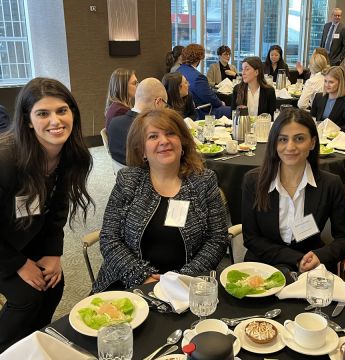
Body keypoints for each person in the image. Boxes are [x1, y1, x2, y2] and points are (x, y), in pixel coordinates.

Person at [0, 78, 93, 351]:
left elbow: (57, 208)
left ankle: (33, 343)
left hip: (24, 231)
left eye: (62, 111)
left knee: (54, 285)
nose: (55, 121)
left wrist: (53, 252)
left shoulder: (70, 156)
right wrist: (18, 263)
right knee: (27, 297)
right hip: (3, 247)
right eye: (43, 113)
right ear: (28, 120)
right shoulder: (6, 161)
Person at [92, 108, 229, 293]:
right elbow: (110, 239)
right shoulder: (128, 181)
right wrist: (143, 278)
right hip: (128, 284)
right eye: (153, 136)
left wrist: (180, 280)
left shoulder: (204, 180)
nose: (164, 141)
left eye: (171, 133)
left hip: (187, 286)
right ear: (142, 150)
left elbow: (217, 239)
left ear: (183, 142)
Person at [241, 108, 345, 273]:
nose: (290, 147)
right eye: (283, 139)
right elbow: (251, 238)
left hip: (311, 266)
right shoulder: (253, 181)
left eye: (299, 139)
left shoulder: (330, 184)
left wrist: (320, 256)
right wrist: (295, 259)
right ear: (274, 143)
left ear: (312, 143)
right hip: (263, 265)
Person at [108, 78, 169, 166]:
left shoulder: (114, 123)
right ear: (158, 102)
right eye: (165, 105)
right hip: (148, 176)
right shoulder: (151, 131)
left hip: (123, 175)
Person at [177, 44, 231, 119]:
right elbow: (210, 98)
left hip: (186, 111)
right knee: (232, 111)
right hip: (202, 111)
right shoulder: (198, 77)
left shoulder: (179, 70)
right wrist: (221, 103)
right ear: (199, 58)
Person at [310, 66, 345, 133]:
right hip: (319, 135)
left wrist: (335, 130)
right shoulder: (319, 97)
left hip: (337, 138)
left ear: (340, 83)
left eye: (331, 82)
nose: (327, 85)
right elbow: (312, 117)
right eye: (325, 81)